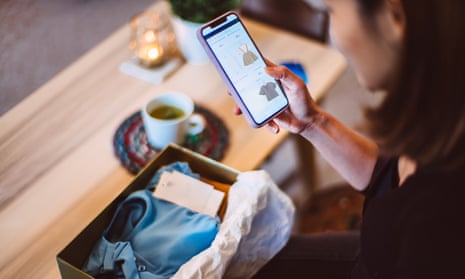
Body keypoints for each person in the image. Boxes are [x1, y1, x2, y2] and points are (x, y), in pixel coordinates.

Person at [248, 0, 465, 278]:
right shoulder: (439, 116)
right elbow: (388, 178)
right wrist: (311, 121)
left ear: (394, 16)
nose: (336, 36)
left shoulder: (437, 222)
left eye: (333, 12)